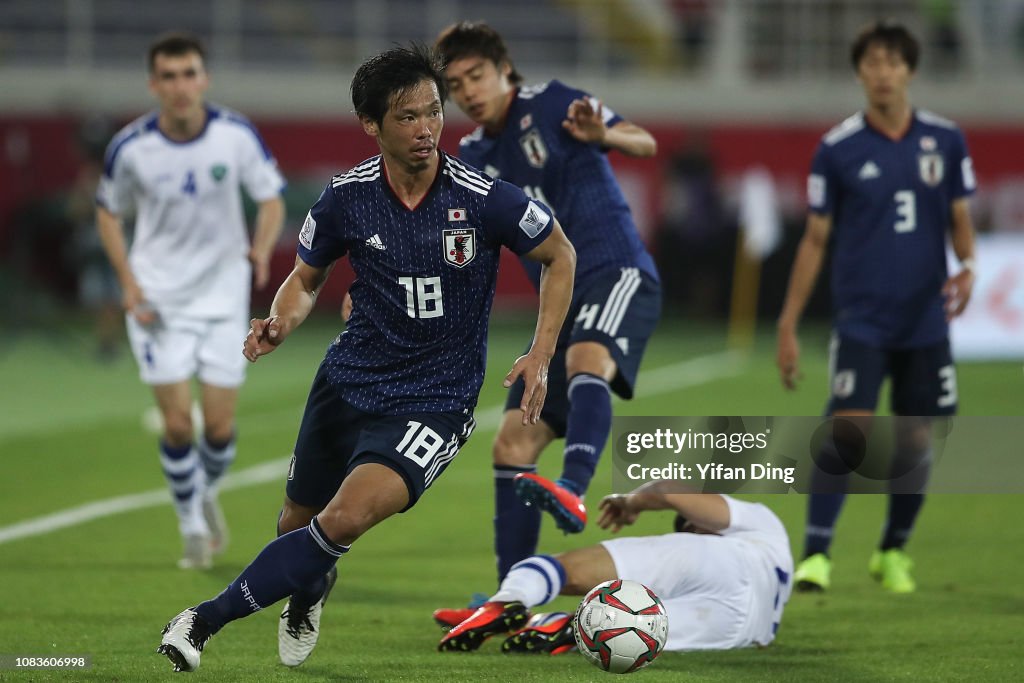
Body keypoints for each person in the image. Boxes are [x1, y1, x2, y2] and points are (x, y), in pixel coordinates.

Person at [155, 44, 576, 673]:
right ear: (372, 125)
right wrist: (281, 320)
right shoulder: (346, 197)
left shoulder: (484, 197)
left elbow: (559, 254)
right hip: (348, 382)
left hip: (435, 399)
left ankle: (200, 621)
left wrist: (540, 352)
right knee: (296, 527)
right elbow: (305, 279)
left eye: (433, 112)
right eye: (408, 116)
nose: (426, 128)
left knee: (343, 519)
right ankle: (310, 590)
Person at [435, 21, 662, 586]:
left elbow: (645, 141)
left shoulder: (554, 102)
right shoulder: (471, 156)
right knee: (512, 442)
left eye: (476, 75)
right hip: (557, 306)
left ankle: (574, 488)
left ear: (504, 69)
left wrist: (604, 135)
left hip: (616, 272)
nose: (468, 91)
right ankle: (512, 597)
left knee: (588, 358)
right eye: (456, 84)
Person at [775, 21, 977, 594]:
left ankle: (892, 551)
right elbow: (815, 239)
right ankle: (817, 554)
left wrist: (968, 265)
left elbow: (960, 219)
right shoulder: (837, 148)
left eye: (892, 62)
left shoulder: (945, 140)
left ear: (909, 70)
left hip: (925, 318)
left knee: (917, 439)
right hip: (862, 318)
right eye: (872, 63)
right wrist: (788, 322)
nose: (882, 73)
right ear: (859, 72)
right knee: (848, 429)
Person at [95, 32, 286, 570]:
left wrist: (261, 248)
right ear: (153, 84)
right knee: (179, 425)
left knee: (219, 429)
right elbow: (108, 211)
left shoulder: (235, 135)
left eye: (189, 74)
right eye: (169, 76)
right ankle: (192, 526)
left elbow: (271, 198)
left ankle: (202, 492)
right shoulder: (131, 147)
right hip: (158, 300)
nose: (180, 86)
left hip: (223, 299)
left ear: (204, 79)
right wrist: (128, 282)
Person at [437, 486, 792, 654]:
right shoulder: (774, 541)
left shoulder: (743, 526)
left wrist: (630, 502)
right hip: (738, 633)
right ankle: (564, 626)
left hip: (722, 560)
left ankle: (504, 602)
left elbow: (669, 490)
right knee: (632, 628)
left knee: (564, 569)